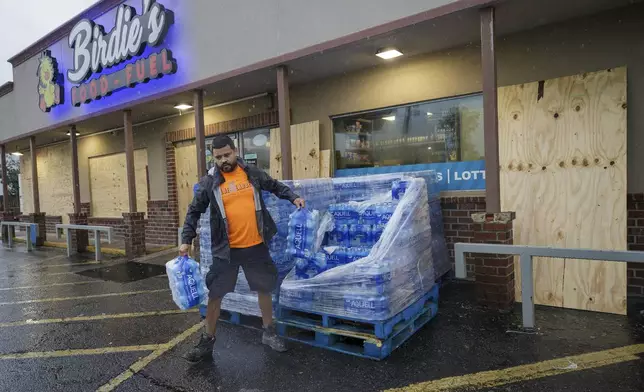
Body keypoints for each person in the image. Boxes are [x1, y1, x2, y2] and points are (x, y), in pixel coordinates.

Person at [179, 135, 305, 363]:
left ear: (235, 151)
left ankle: (268, 332)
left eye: (227, 155)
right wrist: (186, 238)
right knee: (215, 294)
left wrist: (293, 197)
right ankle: (207, 342)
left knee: (264, 288)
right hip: (226, 250)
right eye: (218, 157)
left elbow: (274, 185)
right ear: (213, 157)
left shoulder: (252, 173)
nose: (223, 160)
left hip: (255, 246)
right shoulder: (210, 182)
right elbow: (193, 211)